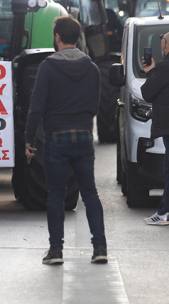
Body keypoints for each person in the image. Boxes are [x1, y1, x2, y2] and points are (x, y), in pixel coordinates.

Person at [25, 15, 107, 265]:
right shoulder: (91, 67)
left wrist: (29, 138)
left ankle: (56, 251)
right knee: (90, 193)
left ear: (57, 37)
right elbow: (95, 105)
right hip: (83, 137)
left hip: (56, 139)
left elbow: (36, 106)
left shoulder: (48, 67)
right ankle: (100, 248)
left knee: (56, 196)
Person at [140, 31, 169, 225]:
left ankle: (164, 212)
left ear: (167, 45)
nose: (162, 46)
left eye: (163, 42)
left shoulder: (164, 67)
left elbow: (147, 92)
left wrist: (150, 72)